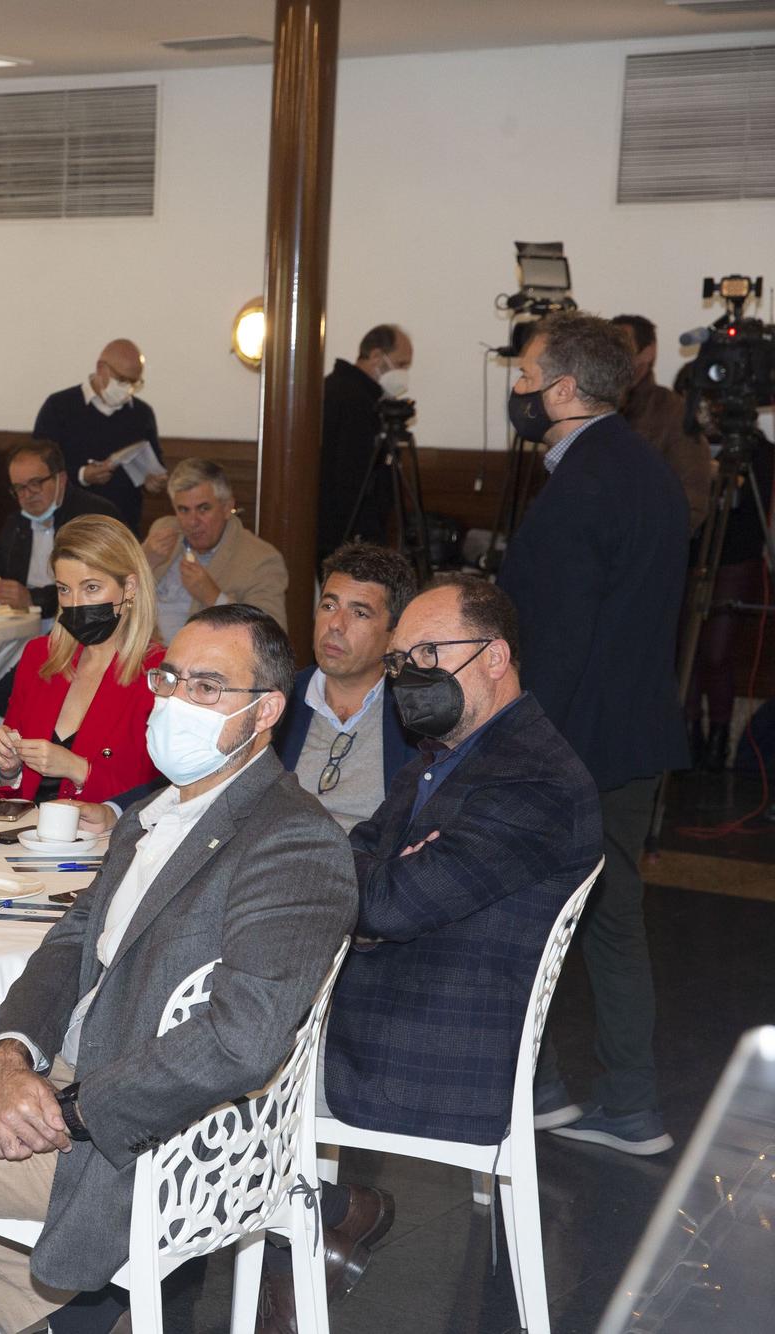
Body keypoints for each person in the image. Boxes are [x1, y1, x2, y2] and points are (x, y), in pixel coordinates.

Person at [0, 605, 356, 1333]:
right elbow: (69, 944)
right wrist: (11, 1056)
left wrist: (68, 1112)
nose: (175, 701)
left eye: (208, 688)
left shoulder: (293, 839)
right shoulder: (155, 813)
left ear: (265, 710)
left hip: (144, 1139)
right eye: (170, 679)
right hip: (80, 1086)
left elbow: (240, 1038)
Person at [256, 577, 603, 1329]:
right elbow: (352, 859)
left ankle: (294, 1248)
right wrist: (379, 881)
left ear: (495, 657)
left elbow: (382, 903)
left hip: (427, 1046)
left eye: (429, 653)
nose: (412, 673)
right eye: (403, 657)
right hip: (388, 1000)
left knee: (212, 1072)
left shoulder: (531, 779)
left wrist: (375, 891)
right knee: (202, 1032)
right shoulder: (444, 756)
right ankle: (321, 1227)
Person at [497, 311, 688, 1156]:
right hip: (635, 733)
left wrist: (520, 748)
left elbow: (562, 640)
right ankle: (629, 1103)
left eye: (526, 374)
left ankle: (537, 1089)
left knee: (529, 917)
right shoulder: (645, 469)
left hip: (575, 741)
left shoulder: (581, 487)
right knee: (612, 921)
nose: (516, 387)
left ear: (565, 389)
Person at [0, 514, 163, 814]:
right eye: (64, 589)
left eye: (91, 588)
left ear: (130, 587)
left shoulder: (158, 674)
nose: (75, 603)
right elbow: (2, 785)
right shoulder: (41, 656)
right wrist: (8, 769)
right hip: (28, 836)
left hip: (106, 844)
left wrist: (79, 769)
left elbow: (161, 793)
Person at [271, 543, 419, 832]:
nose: (336, 625)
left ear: (395, 634)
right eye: (329, 606)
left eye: (360, 613)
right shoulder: (276, 701)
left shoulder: (414, 714)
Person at [684, 432, 772, 770]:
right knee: (687, 650)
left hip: (736, 557)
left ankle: (719, 737)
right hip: (689, 553)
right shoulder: (687, 443)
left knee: (716, 652)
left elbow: (754, 507)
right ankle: (690, 735)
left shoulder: (759, 451)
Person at [0, 440, 117, 618]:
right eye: (19, 488)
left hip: (81, 625)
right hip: (24, 622)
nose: (27, 495)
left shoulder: (94, 517)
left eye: (35, 483)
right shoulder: (17, 522)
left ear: (61, 479)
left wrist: (33, 598)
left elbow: (98, 584)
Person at [142, 459, 288, 639]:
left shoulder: (262, 559)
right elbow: (119, 596)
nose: (192, 522)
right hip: (143, 653)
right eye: (183, 510)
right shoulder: (162, 530)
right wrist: (144, 561)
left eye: (203, 509)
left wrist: (213, 597)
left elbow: (272, 637)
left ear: (227, 508)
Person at [31, 338, 165, 530]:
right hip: (71, 523)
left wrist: (153, 483)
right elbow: (38, 465)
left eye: (135, 383)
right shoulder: (59, 406)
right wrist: (82, 474)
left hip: (123, 524)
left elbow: (155, 464)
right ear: (101, 368)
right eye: (122, 380)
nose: (128, 388)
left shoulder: (142, 413)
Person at [317, 324, 413, 558]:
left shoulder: (339, 388)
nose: (402, 373)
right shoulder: (353, 400)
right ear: (376, 356)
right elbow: (352, 475)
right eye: (400, 364)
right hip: (346, 533)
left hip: (335, 529)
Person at [613, 314, 712, 532]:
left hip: (641, 548)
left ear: (648, 352)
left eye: (622, 345)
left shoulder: (673, 412)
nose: (614, 355)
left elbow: (692, 503)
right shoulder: (591, 406)